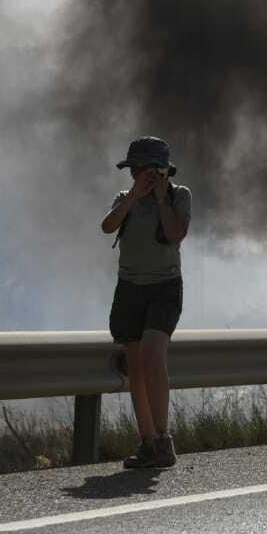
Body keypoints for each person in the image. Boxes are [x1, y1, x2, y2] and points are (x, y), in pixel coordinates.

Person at [101, 136, 192, 469]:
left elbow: (174, 234)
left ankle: (164, 439)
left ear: (164, 171)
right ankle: (148, 441)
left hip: (164, 288)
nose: (140, 175)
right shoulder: (125, 198)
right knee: (136, 367)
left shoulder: (178, 196)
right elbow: (107, 226)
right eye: (135, 170)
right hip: (129, 288)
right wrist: (135, 197)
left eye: (148, 170)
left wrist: (159, 198)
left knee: (154, 357)